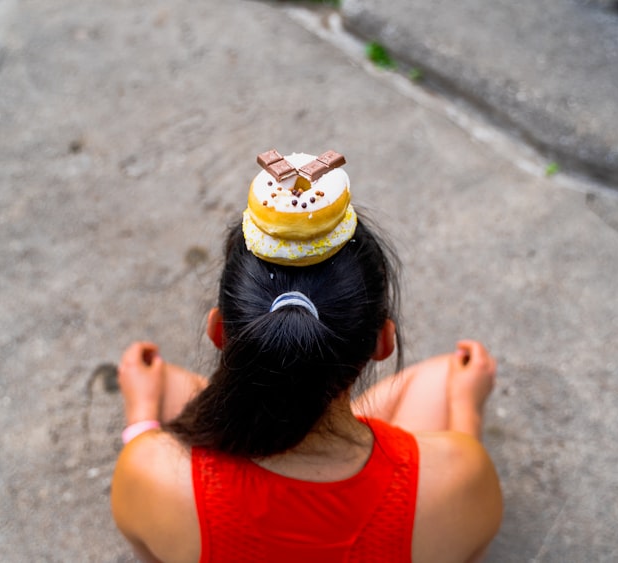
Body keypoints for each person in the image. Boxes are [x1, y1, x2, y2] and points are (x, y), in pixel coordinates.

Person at [111, 152, 503, 562]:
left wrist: (141, 415)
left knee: (167, 383)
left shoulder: (146, 469)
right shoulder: (461, 476)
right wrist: (466, 410)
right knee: (445, 378)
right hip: (397, 499)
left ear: (218, 332)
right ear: (382, 341)